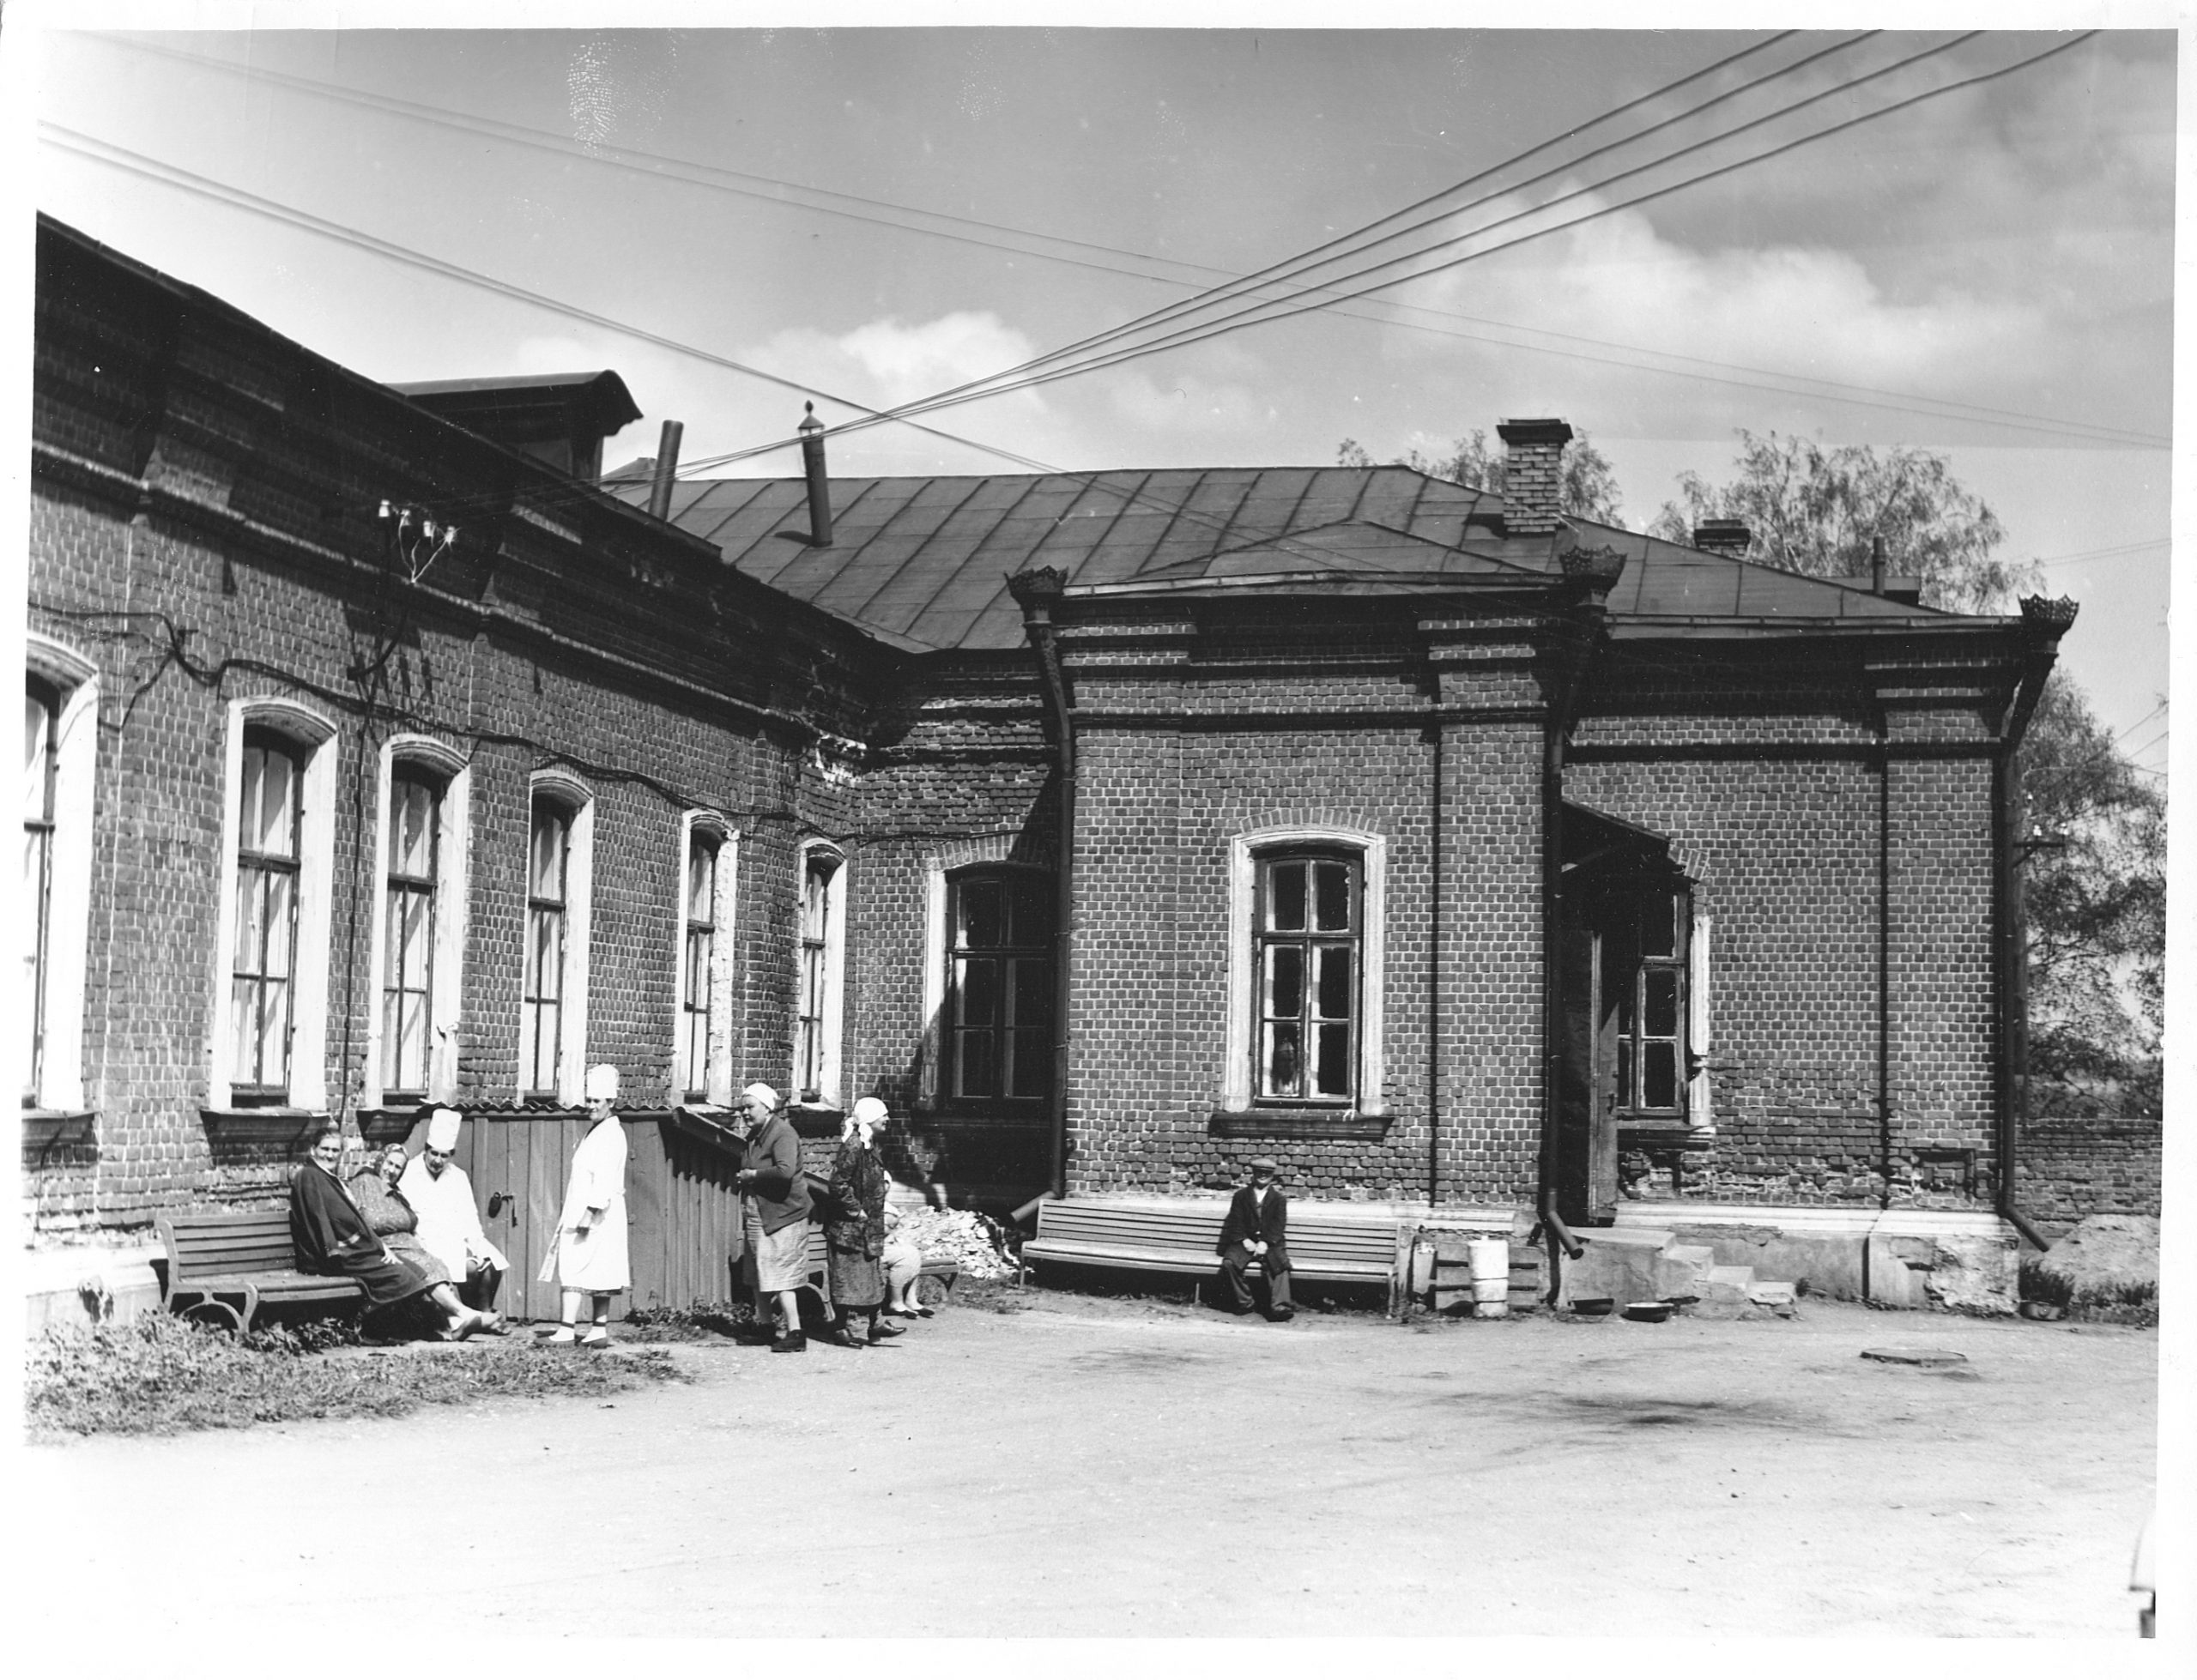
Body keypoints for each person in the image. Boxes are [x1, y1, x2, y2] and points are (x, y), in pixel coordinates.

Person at [288, 1125, 488, 1340]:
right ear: (313, 1150)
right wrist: (333, 1252)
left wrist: (379, 1246)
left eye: (335, 1151)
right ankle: (367, 1325)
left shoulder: (329, 1178)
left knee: (415, 1270)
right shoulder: (309, 1176)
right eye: (325, 1149)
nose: (330, 1155)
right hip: (334, 1256)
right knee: (402, 1275)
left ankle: (450, 1325)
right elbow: (318, 1219)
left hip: (354, 1249)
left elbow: (356, 1223)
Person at [540, 1064, 628, 1348]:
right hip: (598, 1211)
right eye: (589, 1100)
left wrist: (589, 1214)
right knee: (598, 1267)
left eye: (596, 1102)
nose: (590, 1106)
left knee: (577, 1265)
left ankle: (568, 1330)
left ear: (611, 1103)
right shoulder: (599, 1131)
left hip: (595, 1212)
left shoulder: (611, 1134)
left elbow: (603, 1179)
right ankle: (597, 1330)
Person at [399, 1108, 510, 1314]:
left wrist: (476, 1244)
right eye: (434, 1154)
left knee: (494, 1263)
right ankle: (471, 1313)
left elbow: (470, 1215)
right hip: (426, 1241)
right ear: (426, 1149)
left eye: (444, 1156)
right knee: (469, 1269)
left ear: (451, 1156)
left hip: (457, 1238)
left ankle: (485, 1313)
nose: (438, 1161)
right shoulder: (409, 1172)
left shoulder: (458, 1176)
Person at [731, 1082, 813, 1353]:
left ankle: (795, 1331)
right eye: (742, 1107)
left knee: (782, 1275)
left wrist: (753, 1176)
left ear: (767, 1107)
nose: (744, 1112)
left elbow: (785, 1171)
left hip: (784, 1214)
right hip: (759, 1211)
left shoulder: (782, 1133)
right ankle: (765, 1326)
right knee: (757, 1272)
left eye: (750, 1107)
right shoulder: (755, 1135)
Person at [822, 1097, 906, 1350]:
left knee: (871, 1276)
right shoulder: (854, 1146)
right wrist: (855, 1211)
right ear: (870, 1118)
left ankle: (876, 1324)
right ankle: (840, 1328)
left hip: (867, 1228)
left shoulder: (870, 1145)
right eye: (883, 1115)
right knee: (846, 1280)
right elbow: (838, 1184)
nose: (887, 1119)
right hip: (849, 1228)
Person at [1218, 1155, 1294, 1320]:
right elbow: (1235, 1221)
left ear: (1272, 1176)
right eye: (1259, 1172)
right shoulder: (1241, 1196)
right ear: (1253, 1173)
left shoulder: (1279, 1199)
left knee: (1280, 1266)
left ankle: (1280, 1307)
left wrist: (1266, 1242)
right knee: (1229, 1263)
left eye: (1266, 1173)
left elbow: (1279, 1225)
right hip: (1244, 1241)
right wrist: (1244, 1240)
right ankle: (1245, 1302)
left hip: (1271, 1243)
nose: (1262, 1175)